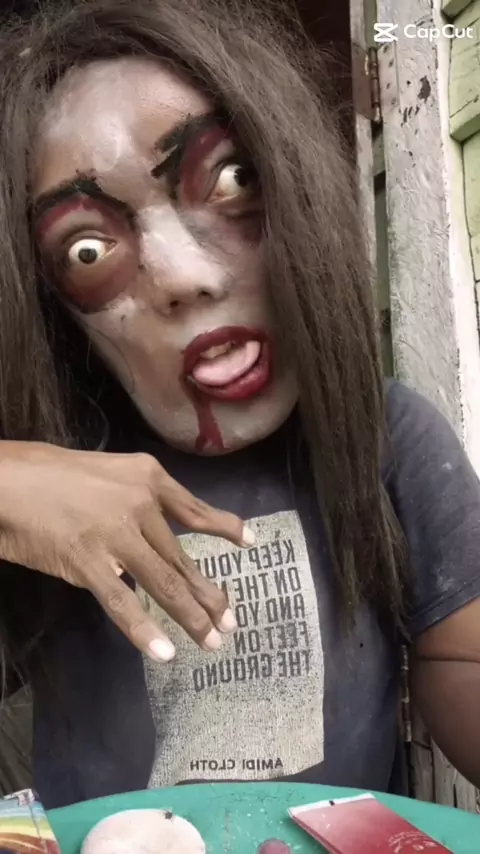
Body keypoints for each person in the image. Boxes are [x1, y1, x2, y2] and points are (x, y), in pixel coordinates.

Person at [0, 0, 479, 812]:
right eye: (88, 248)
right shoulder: (57, 459)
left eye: (232, 179)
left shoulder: (385, 435)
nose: (184, 276)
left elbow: (463, 657)